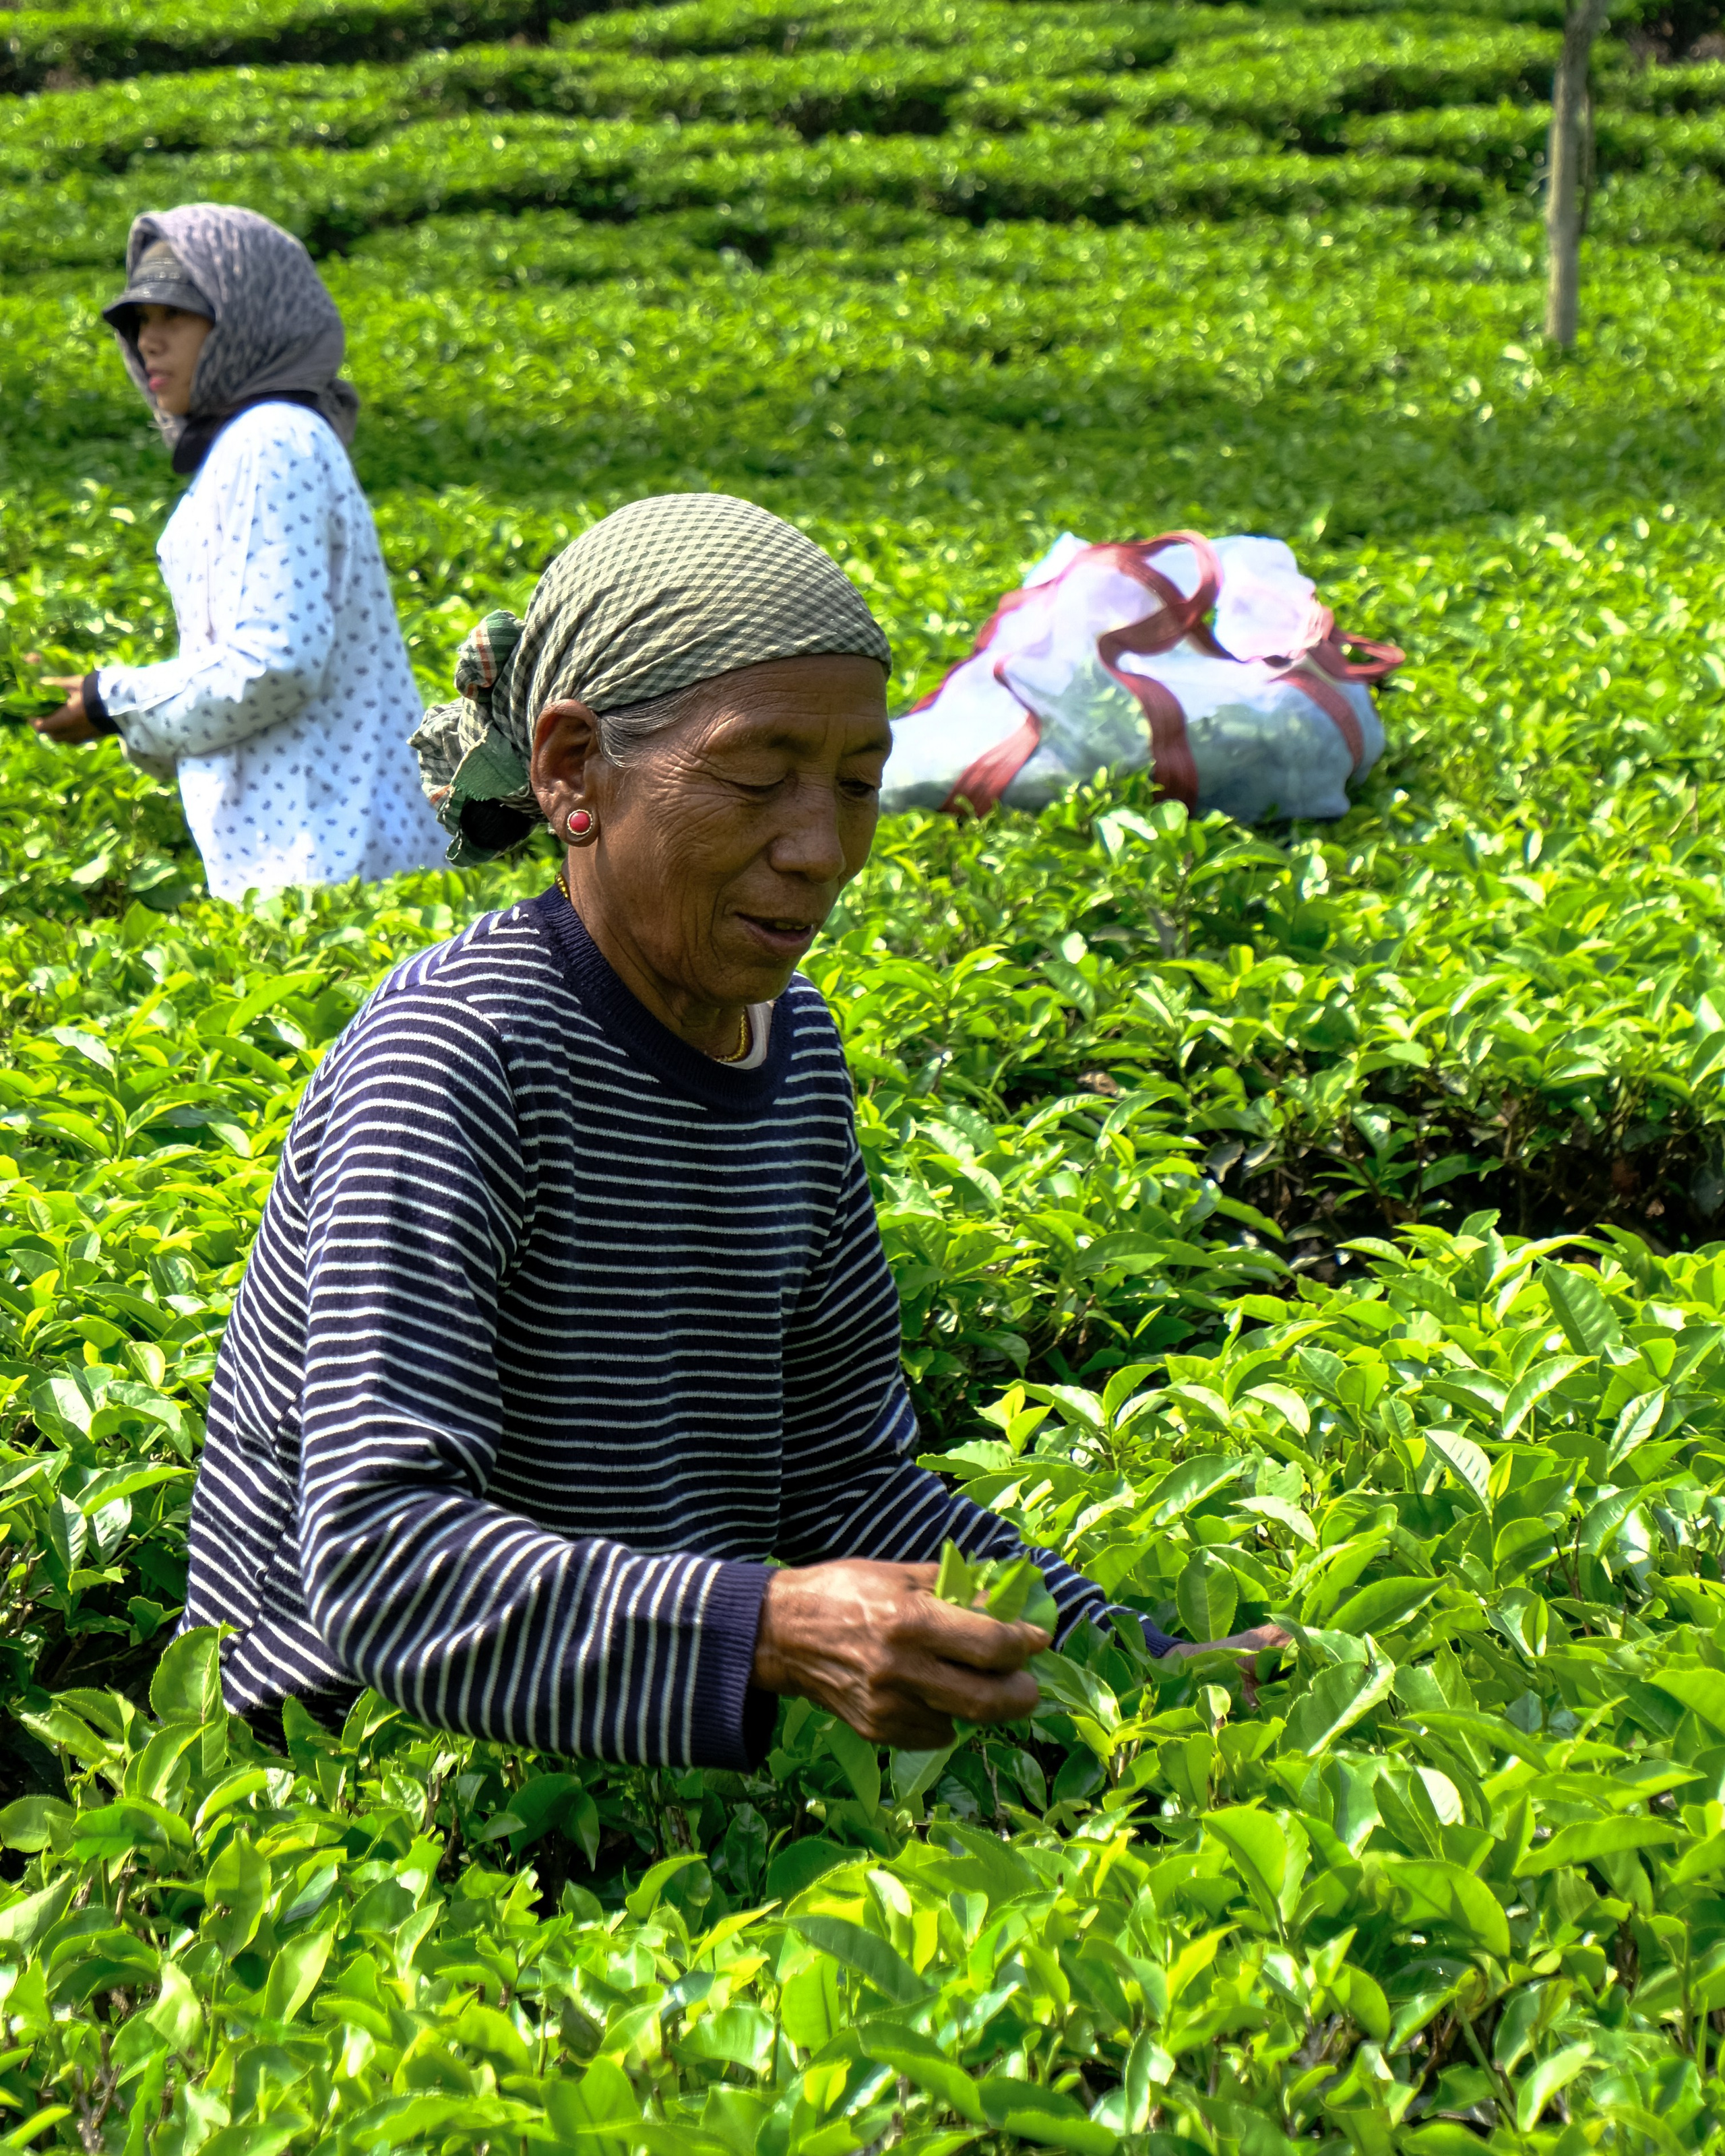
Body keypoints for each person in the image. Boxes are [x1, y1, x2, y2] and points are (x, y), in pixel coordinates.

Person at [183, 492, 1284, 1762]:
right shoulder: (456, 1055)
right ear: (573, 770)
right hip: (360, 1780)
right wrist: (767, 1629)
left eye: (859, 786)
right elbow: (381, 1560)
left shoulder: (791, 1046)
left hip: (631, 1760)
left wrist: (1130, 1662)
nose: (822, 850)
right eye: (758, 779)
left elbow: (843, 1480)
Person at [32, 204, 445, 902]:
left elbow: (274, 664)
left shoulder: (271, 439)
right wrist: (108, 705)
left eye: (175, 315)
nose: (148, 340)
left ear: (245, 316)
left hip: (327, 859)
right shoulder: (255, 443)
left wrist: (115, 702)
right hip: (311, 857)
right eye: (140, 321)